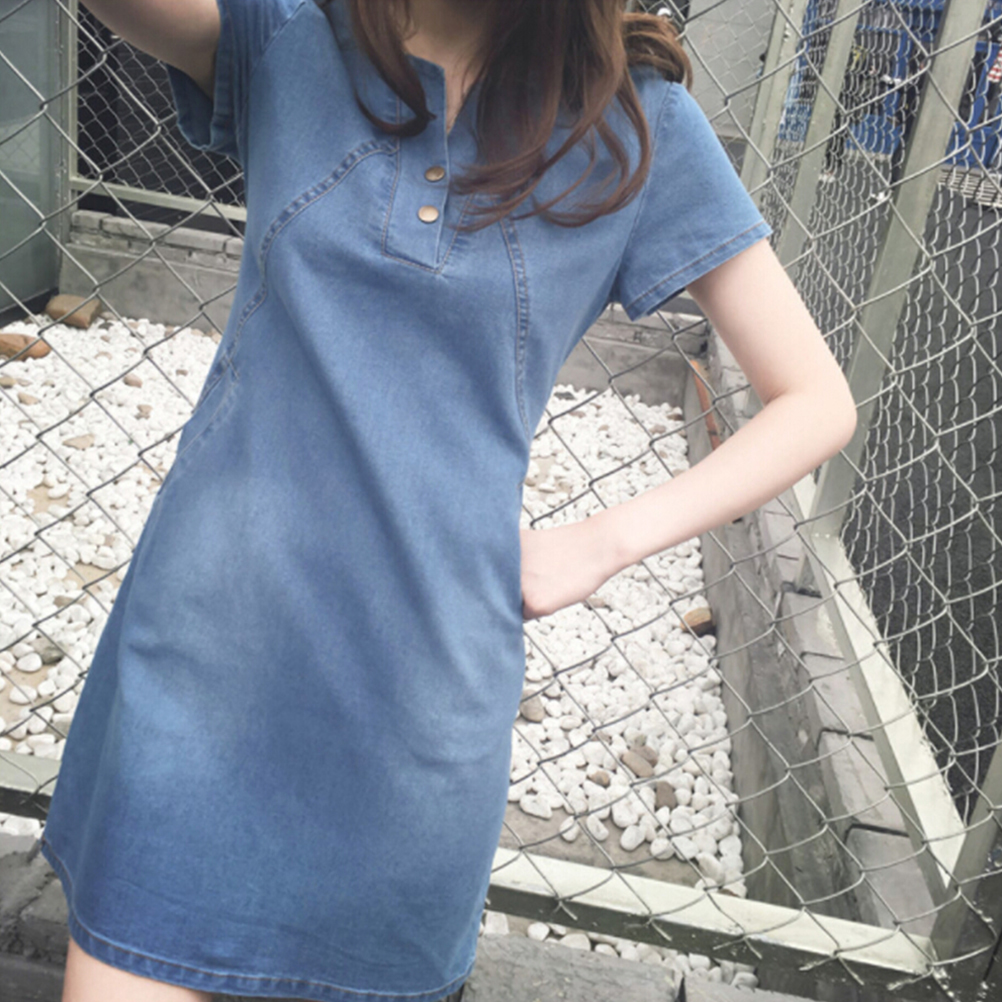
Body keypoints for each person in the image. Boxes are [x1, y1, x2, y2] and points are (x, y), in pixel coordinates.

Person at [40, 1, 858, 1001]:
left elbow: (815, 400)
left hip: (415, 711)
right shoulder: (290, 34)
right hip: (204, 659)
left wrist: (604, 540)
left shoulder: (635, 127)